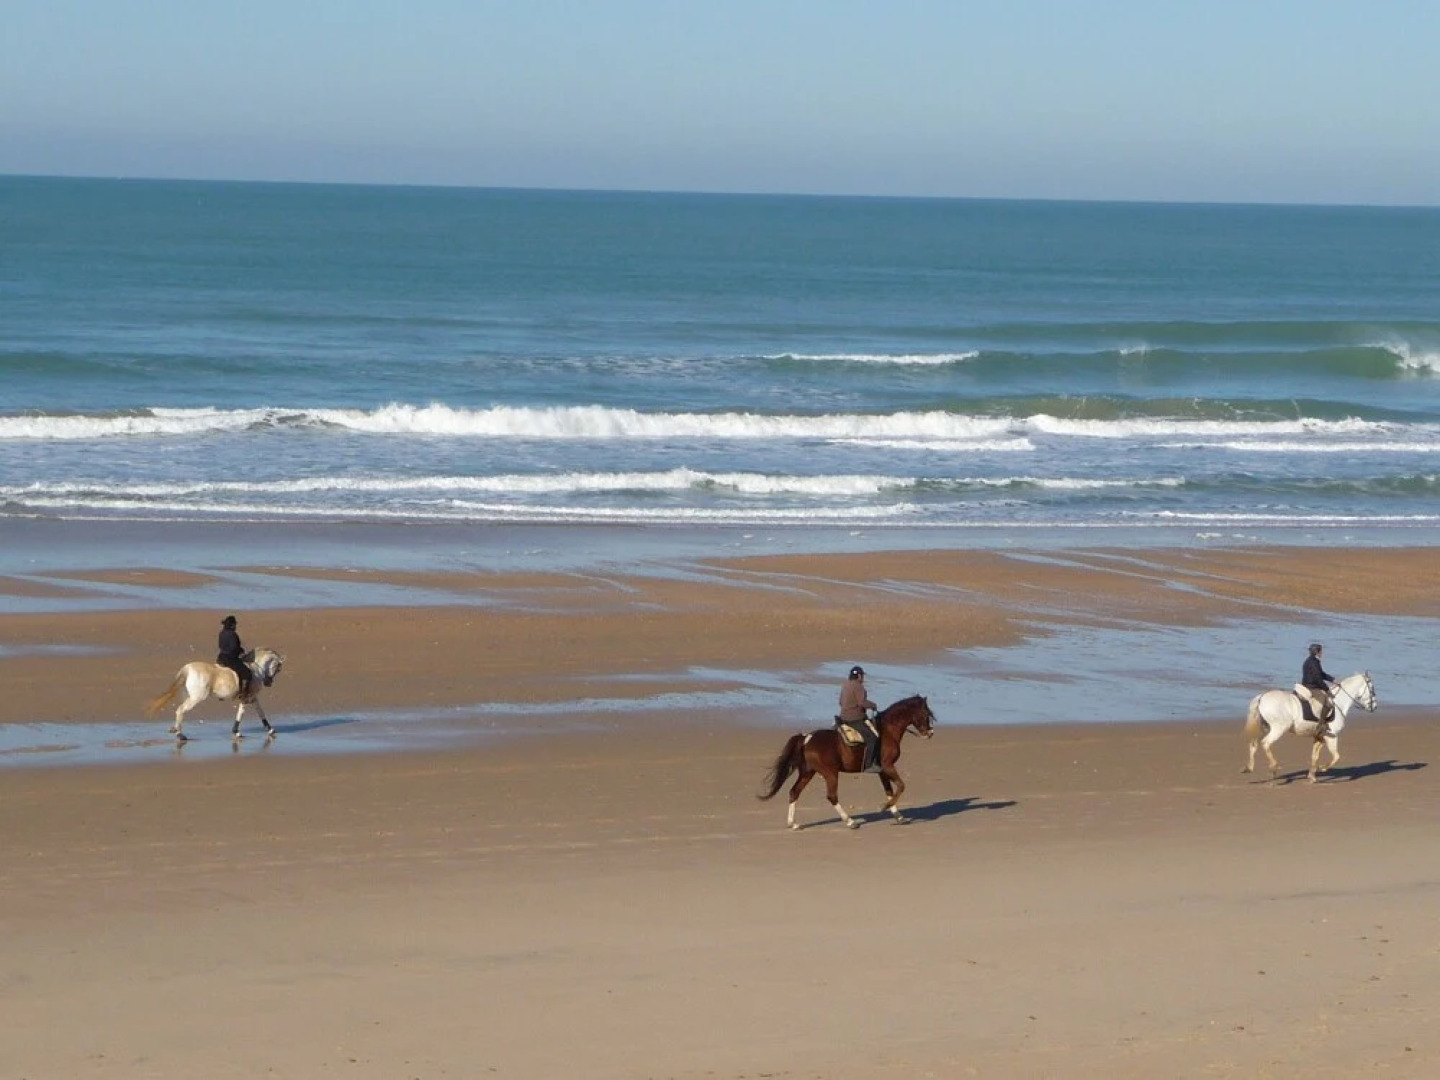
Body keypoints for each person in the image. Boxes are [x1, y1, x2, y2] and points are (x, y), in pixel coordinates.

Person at [837, 665, 879, 767]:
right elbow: (862, 703)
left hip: (842, 717)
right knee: (872, 738)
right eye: (862, 676)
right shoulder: (859, 686)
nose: (863, 678)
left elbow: (840, 702)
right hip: (854, 719)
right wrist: (873, 705)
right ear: (859, 676)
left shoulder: (845, 685)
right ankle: (869, 764)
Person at [1298, 641, 1336, 728]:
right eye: (1320, 651)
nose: (1321, 653)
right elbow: (1318, 679)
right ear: (1317, 652)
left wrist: (1332, 679)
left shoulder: (1310, 661)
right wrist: (1327, 689)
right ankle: (1321, 724)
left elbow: (1321, 674)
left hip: (1308, 684)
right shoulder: (1314, 662)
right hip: (1312, 687)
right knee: (1328, 702)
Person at [217, 614, 253, 697]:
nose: (236, 626)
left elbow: (220, 645)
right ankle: (243, 693)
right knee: (247, 673)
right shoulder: (233, 634)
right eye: (235, 624)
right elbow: (234, 647)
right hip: (230, 659)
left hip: (221, 657)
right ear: (232, 625)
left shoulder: (221, 633)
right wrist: (241, 651)